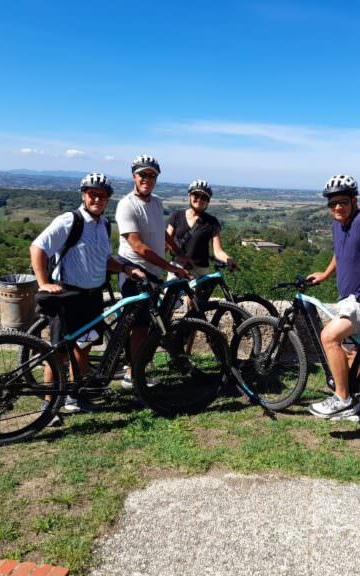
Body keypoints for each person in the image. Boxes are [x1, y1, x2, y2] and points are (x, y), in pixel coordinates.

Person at [31, 172, 145, 423]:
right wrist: (44, 283)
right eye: (93, 194)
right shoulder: (69, 221)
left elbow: (105, 260)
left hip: (92, 296)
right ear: (84, 195)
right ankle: (49, 407)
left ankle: (74, 396)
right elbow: (38, 247)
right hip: (67, 294)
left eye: (102, 196)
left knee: (84, 346)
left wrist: (126, 268)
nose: (97, 199)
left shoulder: (104, 225)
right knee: (58, 352)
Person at [305, 174, 360, 420]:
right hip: (347, 299)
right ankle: (355, 403)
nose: (337, 207)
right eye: (332, 203)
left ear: (354, 200)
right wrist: (324, 274)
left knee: (329, 337)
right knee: (351, 351)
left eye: (342, 202)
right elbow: (340, 253)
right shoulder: (338, 225)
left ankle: (341, 399)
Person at [115, 154, 190, 389]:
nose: (147, 179)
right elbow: (137, 246)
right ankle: (133, 375)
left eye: (152, 175)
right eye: (143, 174)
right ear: (134, 176)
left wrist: (177, 252)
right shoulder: (127, 205)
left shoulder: (156, 202)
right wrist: (170, 266)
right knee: (138, 327)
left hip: (154, 273)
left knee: (144, 325)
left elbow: (161, 234)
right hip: (134, 272)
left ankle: (134, 369)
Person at [166, 179, 237, 279]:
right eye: (196, 195)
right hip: (177, 267)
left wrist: (228, 259)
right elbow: (167, 241)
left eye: (204, 197)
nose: (199, 199)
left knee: (194, 295)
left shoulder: (212, 222)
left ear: (208, 201)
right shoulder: (177, 216)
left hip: (199, 270)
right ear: (189, 196)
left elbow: (217, 251)